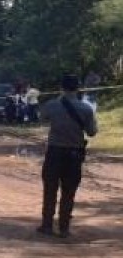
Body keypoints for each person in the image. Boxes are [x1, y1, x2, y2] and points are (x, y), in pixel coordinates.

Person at [37, 74, 98, 238]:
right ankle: (64, 228)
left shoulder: (53, 105)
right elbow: (92, 132)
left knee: (50, 189)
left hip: (55, 151)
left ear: (61, 87)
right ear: (78, 88)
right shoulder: (86, 108)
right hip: (74, 154)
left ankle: (47, 225)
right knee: (69, 191)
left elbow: (41, 118)